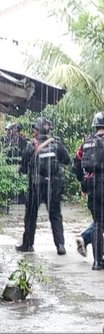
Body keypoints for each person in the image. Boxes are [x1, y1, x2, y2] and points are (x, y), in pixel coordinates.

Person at [16, 117, 70, 255]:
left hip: (36, 186)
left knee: (31, 215)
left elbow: (23, 167)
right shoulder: (56, 144)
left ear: (36, 130)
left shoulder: (31, 145)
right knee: (55, 215)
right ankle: (60, 245)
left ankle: (28, 245)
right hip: (54, 185)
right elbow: (66, 160)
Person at [72, 111, 104, 269]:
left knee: (98, 222)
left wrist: (83, 184)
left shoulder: (87, 143)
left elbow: (76, 165)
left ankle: (97, 262)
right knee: (100, 223)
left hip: (93, 187)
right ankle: (86, 239)